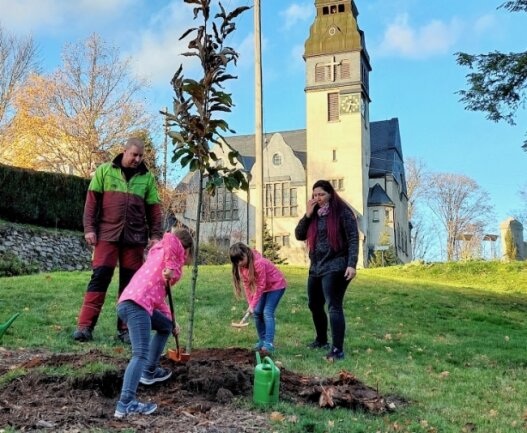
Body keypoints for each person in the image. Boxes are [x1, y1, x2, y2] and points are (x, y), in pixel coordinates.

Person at [73, 137, 163, 343]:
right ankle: (84, 327)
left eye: (141, 156)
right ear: (124, 152)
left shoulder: (147, 178)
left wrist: (156, 235)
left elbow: (154, 210)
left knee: (131, 285)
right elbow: (91, 203)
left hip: (135, 238)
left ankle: (125, 330)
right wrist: (89, 229)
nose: (137, 159)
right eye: (134, 155)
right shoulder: (104, 171)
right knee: (100, 278)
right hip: (107, 235)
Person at [114, 227, 194, 418]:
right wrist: (172, 273)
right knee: (139, 354)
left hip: (131, 302)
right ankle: (126, 404)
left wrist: (171, 320)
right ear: (187, 250)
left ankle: (149, 371)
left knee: (165, 326)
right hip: (138, 305)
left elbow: (158, 296)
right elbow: (172, 270)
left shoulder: (159, 252)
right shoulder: (173, 254)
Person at [294, 180, 359, 361]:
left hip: (337, 265)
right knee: (314, 304)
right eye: (314, 195)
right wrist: (307, 215)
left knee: (333, 306)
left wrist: (352, 264)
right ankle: (321, 340)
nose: (317, 198)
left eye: (321, 194)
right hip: (316, 267)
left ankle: (337, 350)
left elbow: (353, 239)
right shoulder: (314, 214)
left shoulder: (342, 213)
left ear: (330, 194)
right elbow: (299, 235)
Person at [229, 242, 287, 354]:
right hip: (265, 288)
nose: (239, 263)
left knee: (267, 312)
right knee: (257, 312)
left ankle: (269, 343)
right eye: (236, 262)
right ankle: (262, 340)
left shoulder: (258, 263)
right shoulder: (242, 267)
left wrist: (252, 304)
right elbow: (246, 285)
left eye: (241, 260)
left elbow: (261, 286)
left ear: (246, 253)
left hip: (276, 286)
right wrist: (251, 304)